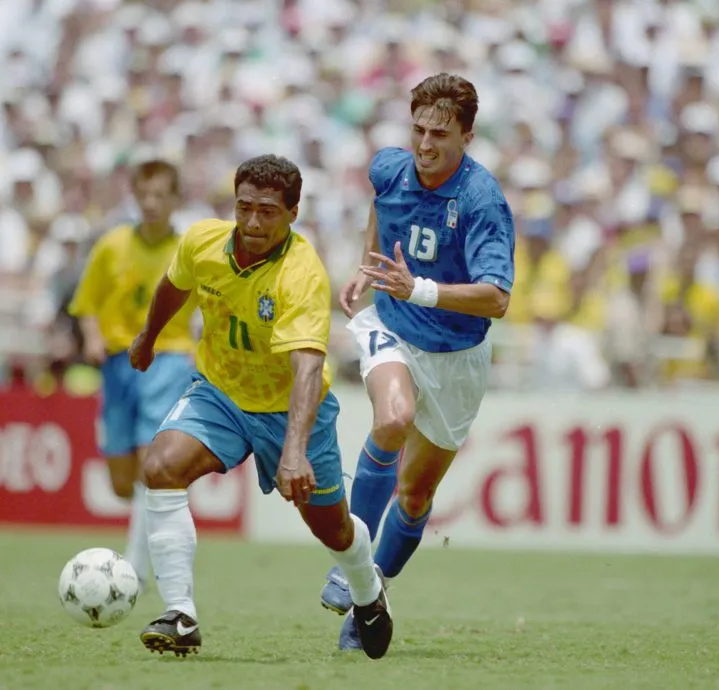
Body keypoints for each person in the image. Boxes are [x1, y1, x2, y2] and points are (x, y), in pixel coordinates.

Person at [128, 154, 393, 660]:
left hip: (289, 408)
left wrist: (293, 452)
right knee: (161, 467)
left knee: (332, 528)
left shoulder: (302, 274)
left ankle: (367, 590)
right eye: (245, 207)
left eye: (267, 212)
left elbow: (307, 372)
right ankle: (180, 615)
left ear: (292, 213)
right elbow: (174, 284)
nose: (252, 222)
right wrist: (148, 336)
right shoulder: (203, 241)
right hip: (220, 392)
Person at [319, 73, 515, 650]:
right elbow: (381, 204)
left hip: (457, 355)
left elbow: (498, 298)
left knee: (415, 496)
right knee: (392, 418)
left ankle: (369, 598)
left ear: (467, 136)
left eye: (439, 134)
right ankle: (349, 566)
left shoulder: (483, 201)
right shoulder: (390, 166)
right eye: (418, 130)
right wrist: (368, 264)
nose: (424, 145)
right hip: (394, 328)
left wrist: (420, 288)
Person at [68, 160, 197, 589]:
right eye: (144, 195)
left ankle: (135, 569)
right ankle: (146, 544)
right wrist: (91, 338)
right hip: (118, 363)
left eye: (161, 195)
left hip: (169, 359)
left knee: (152, 464)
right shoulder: (112, 245)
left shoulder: (190, 251)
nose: (151, 203)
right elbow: (86, 303)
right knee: (123, 483)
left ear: (176, 200)